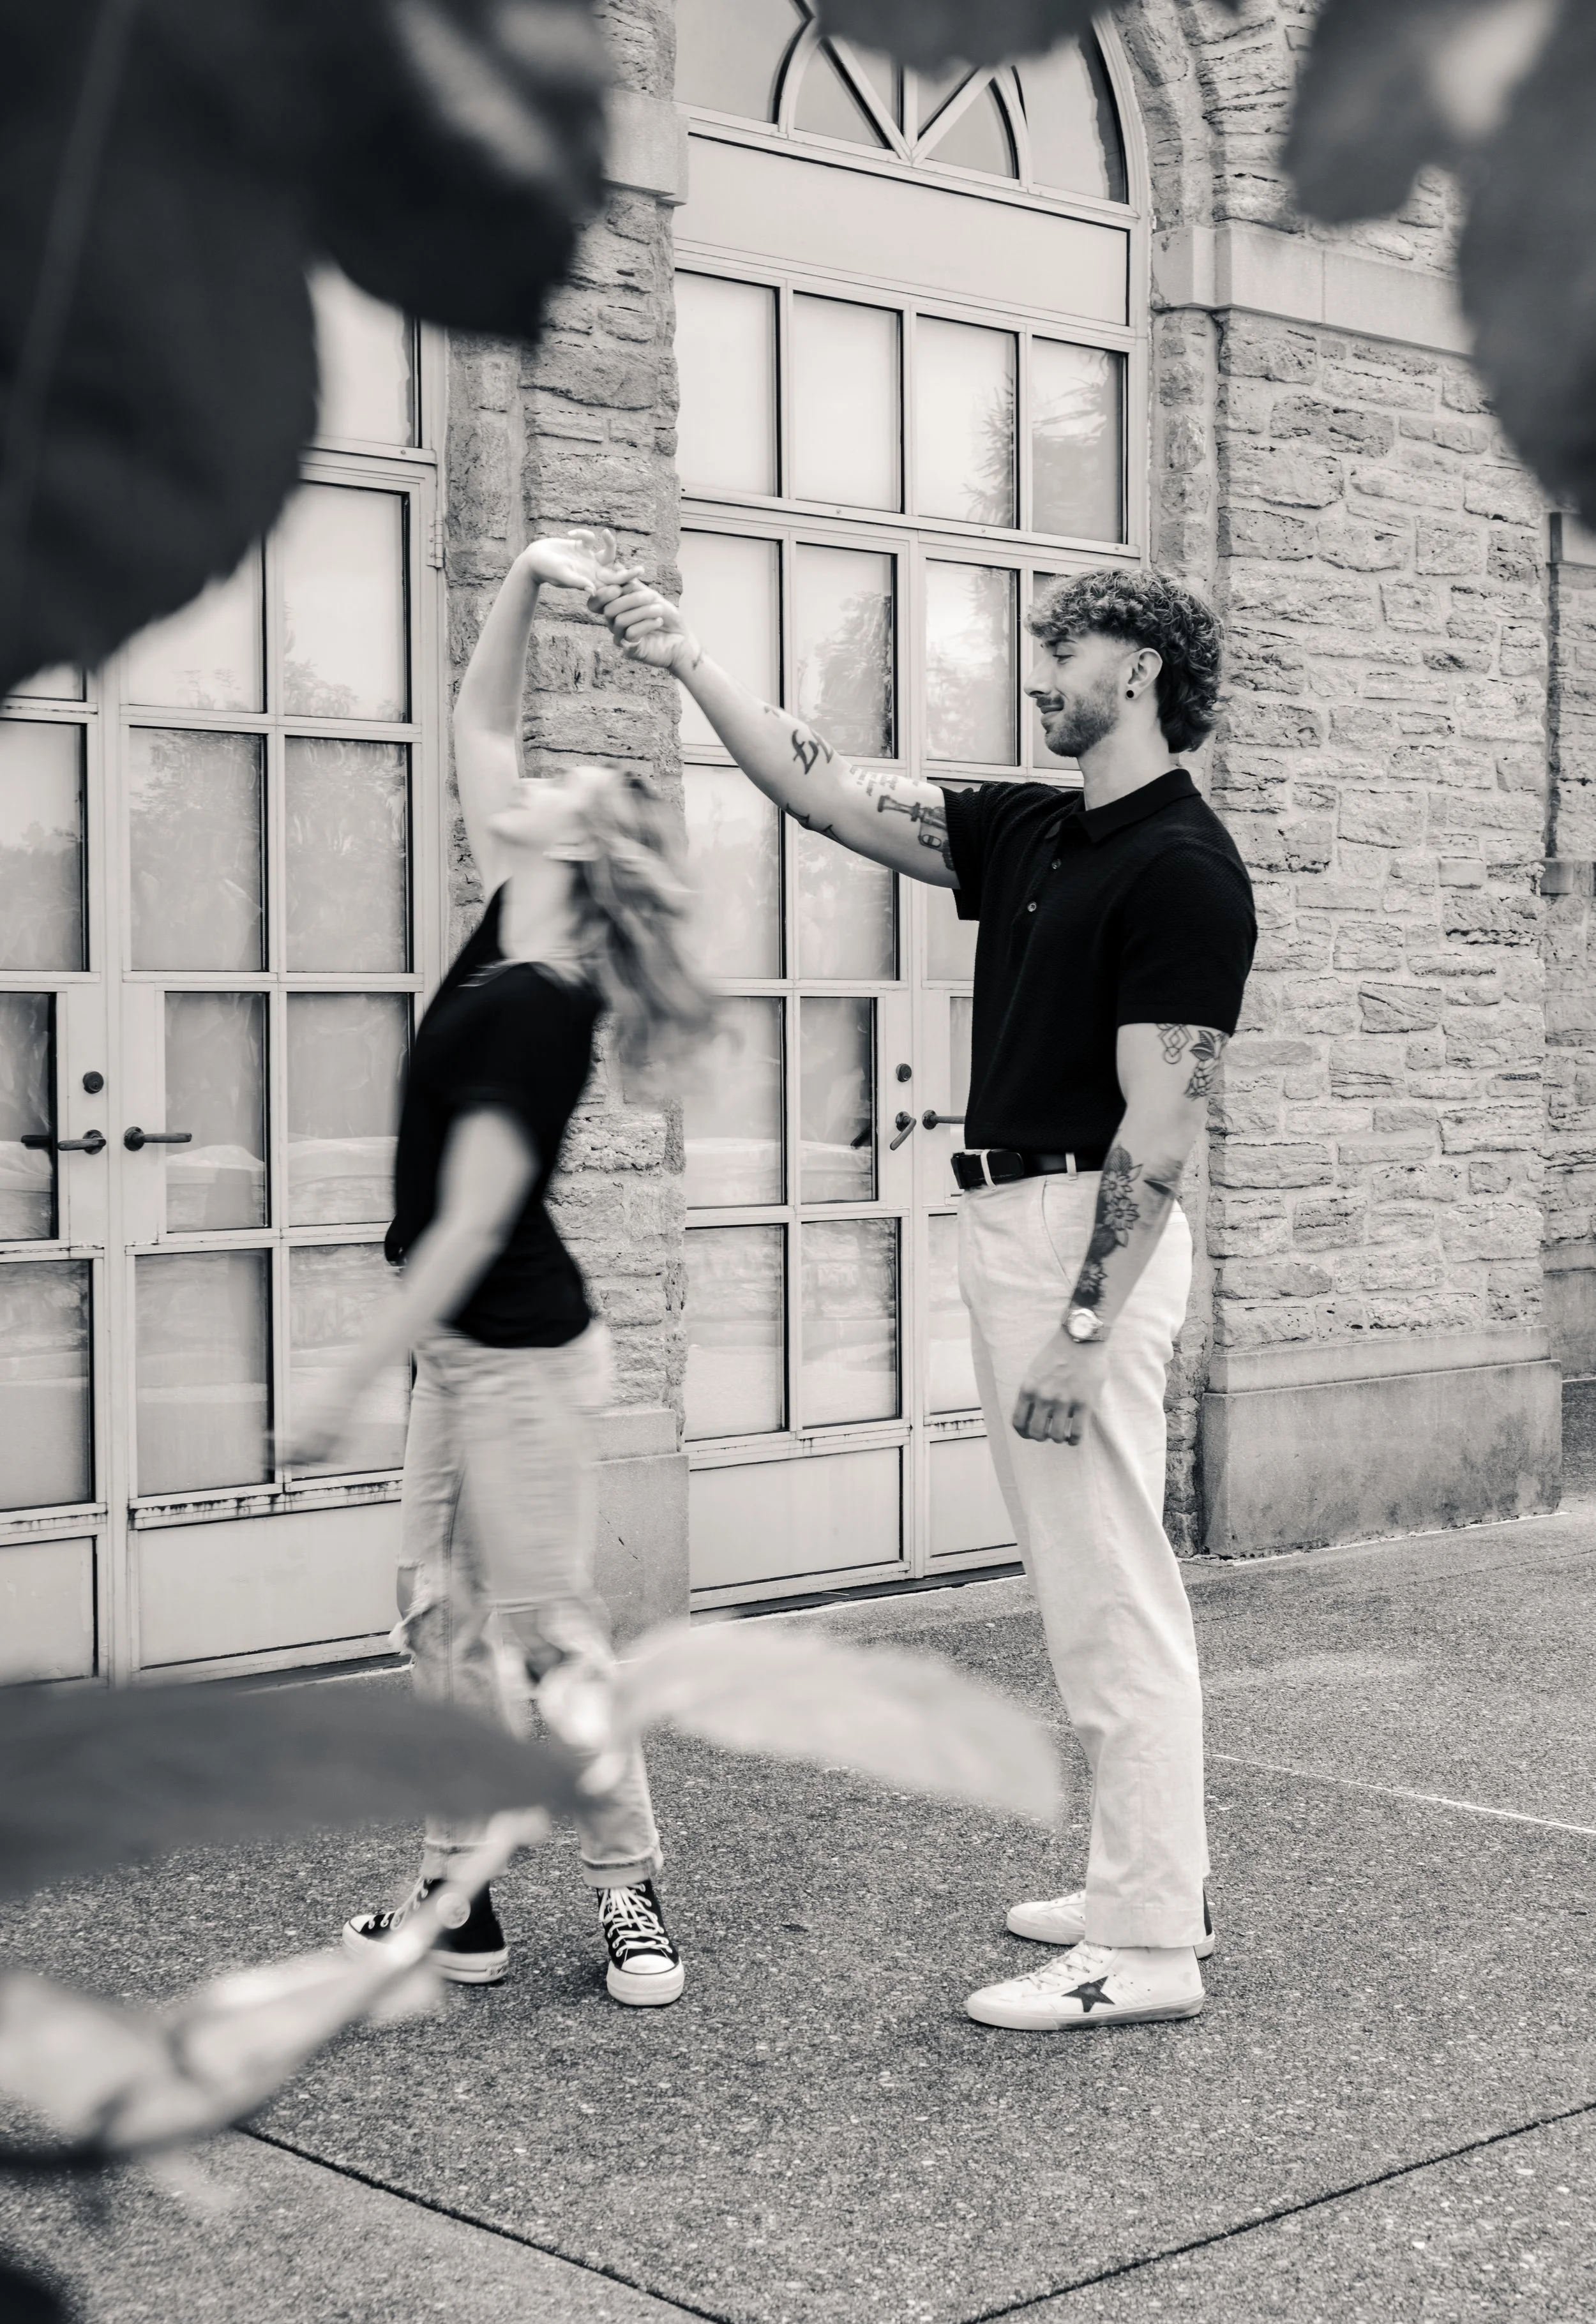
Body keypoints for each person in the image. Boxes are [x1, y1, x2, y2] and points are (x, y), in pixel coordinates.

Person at [598, 562, 1254, 2032]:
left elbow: (1161, 1125)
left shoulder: (1183, 871)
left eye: (1064, 649)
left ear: (1139, 670)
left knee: (1111, 1602)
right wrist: (686, 657)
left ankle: (1146, 1948)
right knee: (1087, 1589)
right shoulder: (1034, 827)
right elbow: (818, 788)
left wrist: (1082, 1327)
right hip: (1013, 1222)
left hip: (1080, 1238)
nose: (1038, 673)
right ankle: (1150, 1879)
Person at [291, 529, 716, 2009]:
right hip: (460, 1347)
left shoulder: (545, 1003)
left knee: (546, 1633)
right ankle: (455, 1899)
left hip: (518, 1353)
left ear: (580, 858)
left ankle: (628, 1890)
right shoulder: (506, 921)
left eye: (571, 792)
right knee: (436, 1620)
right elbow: (480, 722)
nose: (539, 782)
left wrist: (345, 1378)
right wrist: (531, 574)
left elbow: (472, 1223)